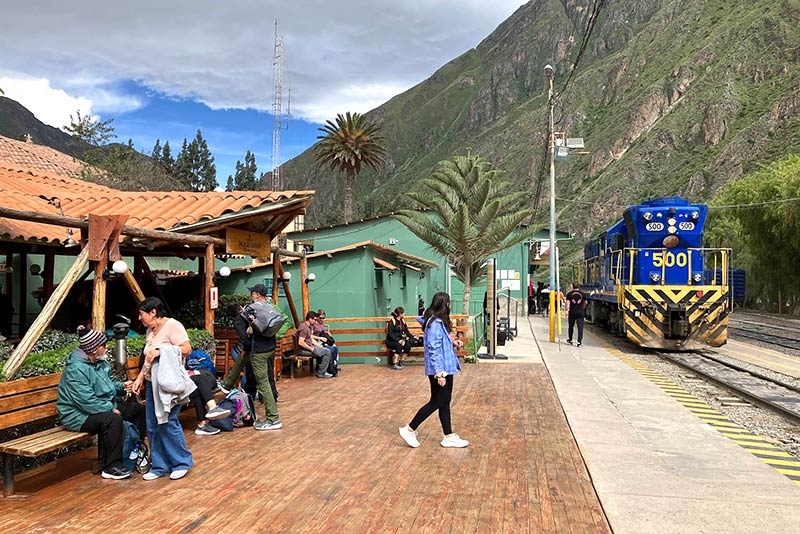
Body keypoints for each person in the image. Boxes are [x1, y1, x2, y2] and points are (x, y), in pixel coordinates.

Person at [57, 326, 145, 480]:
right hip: (77, 415)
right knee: (112, 420)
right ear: (94, 349)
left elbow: (110, 383)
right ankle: (111, 466)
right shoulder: (75, 370)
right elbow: (86, 402)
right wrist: (111, 408)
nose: (106, 348)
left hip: (101, 406)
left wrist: (122, 386)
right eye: (104, 345)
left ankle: (134, 452)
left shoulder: (100, 362)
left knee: (137, 410)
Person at [131, 297, 195, 481]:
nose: (139, 318)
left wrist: (161, 351)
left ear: (153, 312)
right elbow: (149, 358)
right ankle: (160, 466)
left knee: (168, 421)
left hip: (169, 384)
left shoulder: (173, 326)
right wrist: (140, 378)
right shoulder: (150, 331)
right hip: (153, 384)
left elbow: (187, 348)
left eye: (142, 314)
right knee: (152, 425)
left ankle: (181, 462)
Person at [399, 292, 468, 449]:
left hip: (444, 367)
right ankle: (409, 429)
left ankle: (448, 436)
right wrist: (439, 373)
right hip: (441, 369)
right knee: (437, 401)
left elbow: (440, 341)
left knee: (444, 401)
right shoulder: (435, 323)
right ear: (445, 305)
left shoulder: (436, 321)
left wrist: (453, 341)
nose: (450, 306)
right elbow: (433, 348)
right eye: (448, 303)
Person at [233, 284, 282, 430]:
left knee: (263, 384)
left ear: (256, 294)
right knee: (266, 381)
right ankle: (227, 384)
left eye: (252, 293)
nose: (250, 296)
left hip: (259, 350)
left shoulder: (253, 308)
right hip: (270, 348)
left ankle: (273, 419)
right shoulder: (271, 307)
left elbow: (248, 330)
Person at [187, 367, 231, 435]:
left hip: (178, 379)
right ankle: (213, 408)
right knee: (200, 379)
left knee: (198, 387)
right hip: (171, 383)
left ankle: (202, 424)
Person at [296, 311, 333, 379]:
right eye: (315, 319)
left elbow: (311, 339)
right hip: (303, 350)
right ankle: (321, 373)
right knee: (327, 352)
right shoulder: (304, 328)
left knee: (326, 350)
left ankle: (322, 370)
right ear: (310, 319)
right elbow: (300, 342)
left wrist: (319, 346)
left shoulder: (309, 327)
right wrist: (312, 349)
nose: (316, 321)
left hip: (309, 347)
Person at [565, 283, 587, 347]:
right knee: (580, 328)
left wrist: (566, 311)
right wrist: (582, 308)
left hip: (572, 312)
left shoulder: (569, 294)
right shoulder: (583, 294)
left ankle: (570, 340)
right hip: (580, 312)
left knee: (571, 326)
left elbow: (567, 303)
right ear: (579, 287)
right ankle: (579, 342)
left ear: (572, 287)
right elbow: (585, 302)